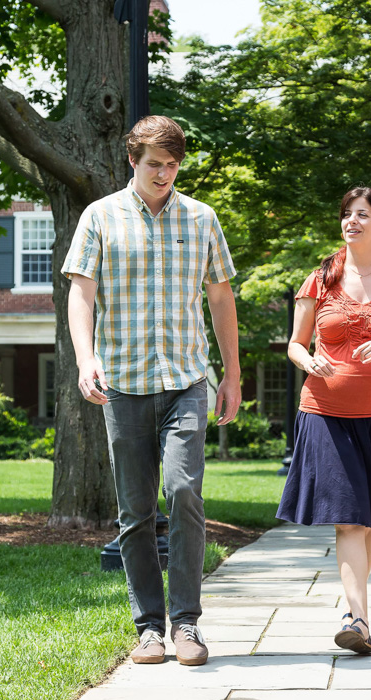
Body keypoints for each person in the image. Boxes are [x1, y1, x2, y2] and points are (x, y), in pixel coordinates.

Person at [62, 115, 241, 667]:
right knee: (136, 509)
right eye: (154, 164)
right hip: (125, 383)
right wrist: (86, 358)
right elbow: (82, 295)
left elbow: (220, 299)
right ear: (132, 161)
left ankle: (186, 623)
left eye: (172, 164)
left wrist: (230, 374)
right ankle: (149, 629)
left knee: (184, 491)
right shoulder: (100, 216)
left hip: (187, 379)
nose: (164, 173)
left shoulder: (201, 217)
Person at [276, 187, 371, 654]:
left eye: (362, 215)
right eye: (346, 215)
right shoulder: (319, 279)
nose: (352, 222)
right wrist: (308, 361)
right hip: (325, 413)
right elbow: (295, 343)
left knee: (366, 522)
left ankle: (359, 614)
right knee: (347, 518)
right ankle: (356, 617)